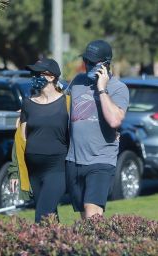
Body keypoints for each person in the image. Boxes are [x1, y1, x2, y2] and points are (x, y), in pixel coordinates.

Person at [66, 39, 129, 218]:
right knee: (85, 217)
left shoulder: (118, 88)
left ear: (105, 65)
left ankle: (96, 246)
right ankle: (98, 246)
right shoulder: (77, 81)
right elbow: (62, 106)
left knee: (92, 213)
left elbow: (115, 120)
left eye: (92, 63)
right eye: (86, 61)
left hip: (101, 160)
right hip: (74, 159)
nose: (87, 65)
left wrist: (101, 89)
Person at [13, 57, 69, 223]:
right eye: (32, 73)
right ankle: (60, 247)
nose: (34, 77)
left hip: (57, 168)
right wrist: (16, 170)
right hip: (34, 169)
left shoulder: (67, 103)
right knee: (50, 216)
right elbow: (21, 139)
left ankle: (37, 248)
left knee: (42, 214)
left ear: (51, 77)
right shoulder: (28, 104)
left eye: (38, 73)